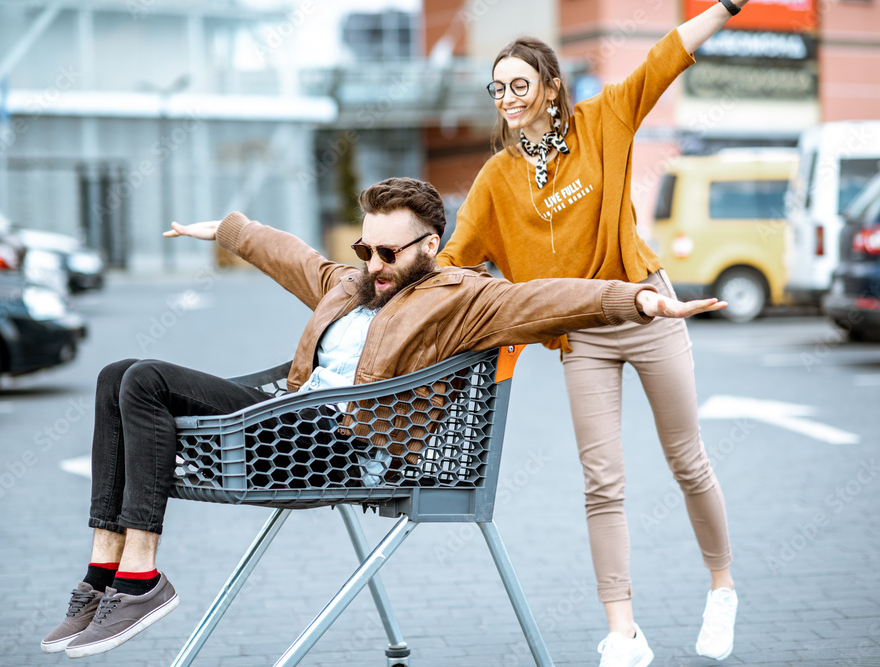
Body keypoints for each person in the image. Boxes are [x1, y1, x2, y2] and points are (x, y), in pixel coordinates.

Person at [40, 177, 724, 659]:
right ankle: (104, 574)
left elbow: (547, 299)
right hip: (289, 424)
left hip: (343, 443)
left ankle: (142, 577)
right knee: (115, 376)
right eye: (365, 248)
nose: (373, 264)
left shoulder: (463, 297)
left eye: (389, 252)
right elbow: (293, 257)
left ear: (431, 244)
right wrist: (224, 229)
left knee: (147, 381)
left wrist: (638, 300)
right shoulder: (354, 280)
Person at [434, 2, 751, 665]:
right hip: (583, 335)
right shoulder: (496, 179)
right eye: (498, 88)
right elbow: (452, 260)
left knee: (687, 461)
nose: (507, 98)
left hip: (648, 311)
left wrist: (725, 7)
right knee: (602, 482)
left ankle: (722, 586)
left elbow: (666, 54)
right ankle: (623, 630)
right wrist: (388, 274)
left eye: (519, 84)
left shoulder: (604, 119)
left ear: (550, 86)